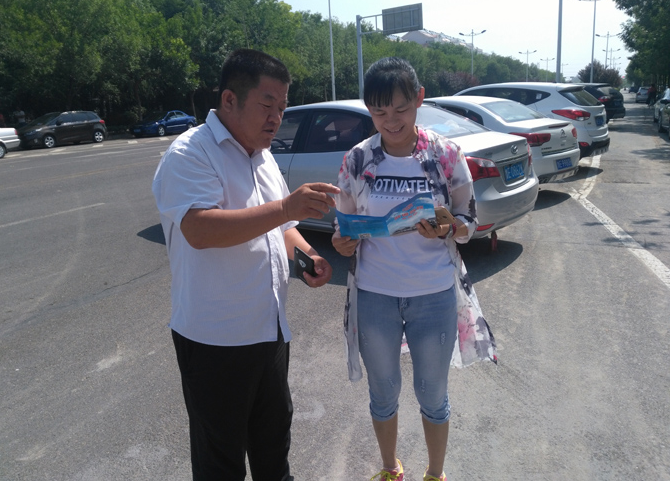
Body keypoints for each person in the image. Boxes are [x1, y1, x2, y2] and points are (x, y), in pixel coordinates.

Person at [152, 48, 340, 481]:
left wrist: (308, 257)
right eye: (267, 105)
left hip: (268, 332)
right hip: (214, 341)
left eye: (283, 107)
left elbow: (282, 226)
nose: (277, 118)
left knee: (274, 450)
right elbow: (200, 230)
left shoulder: (263, 155)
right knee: (221, 463)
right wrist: (285, 208)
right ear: (229, 100)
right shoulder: (190, 153)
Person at [332, 57, 496, 481]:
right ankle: (391, 469)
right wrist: (341, 240)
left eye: (401, 109)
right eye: (379, 112)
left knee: (433, 395)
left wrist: (449, 227)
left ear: (419, 99)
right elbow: (342, 223)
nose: (391, 121)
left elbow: (469, 221)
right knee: (383, 392)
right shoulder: (358, 160)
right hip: (375, 295)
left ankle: (435, 474)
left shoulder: (445, 155)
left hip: (433, 294)